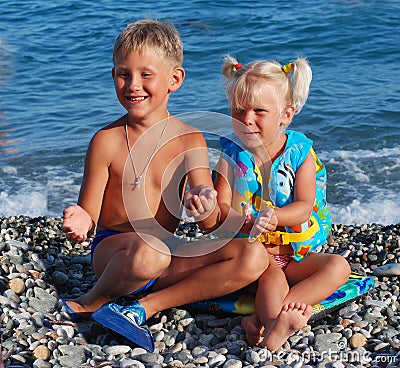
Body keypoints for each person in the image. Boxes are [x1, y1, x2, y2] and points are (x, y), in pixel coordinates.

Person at [61, 20, 269, 352]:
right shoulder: (106, 141)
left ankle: (144, 307)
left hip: (165, 252)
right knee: (151, 252)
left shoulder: (190, 139)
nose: (132, 85)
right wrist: (82, 219)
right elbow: (90, 209)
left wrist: (205, 201)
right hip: (116, 252)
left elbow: (208, 220)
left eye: (146, 75)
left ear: (174, 79)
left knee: (253, 257)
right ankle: (92, 300)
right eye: (123, 74)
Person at [213, 55, 351, 351]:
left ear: (286, 114)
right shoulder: (231, 154)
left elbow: (304, 205)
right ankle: (276, 328)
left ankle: (260, 322)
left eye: (258, 111)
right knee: (271, 280)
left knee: (339, 267)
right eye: (238, 110)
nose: (246, 119)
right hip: (256, 258)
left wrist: (275, 216)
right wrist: (243, 219)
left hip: (296, 254)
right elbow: (221, 206)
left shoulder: (300, 152)